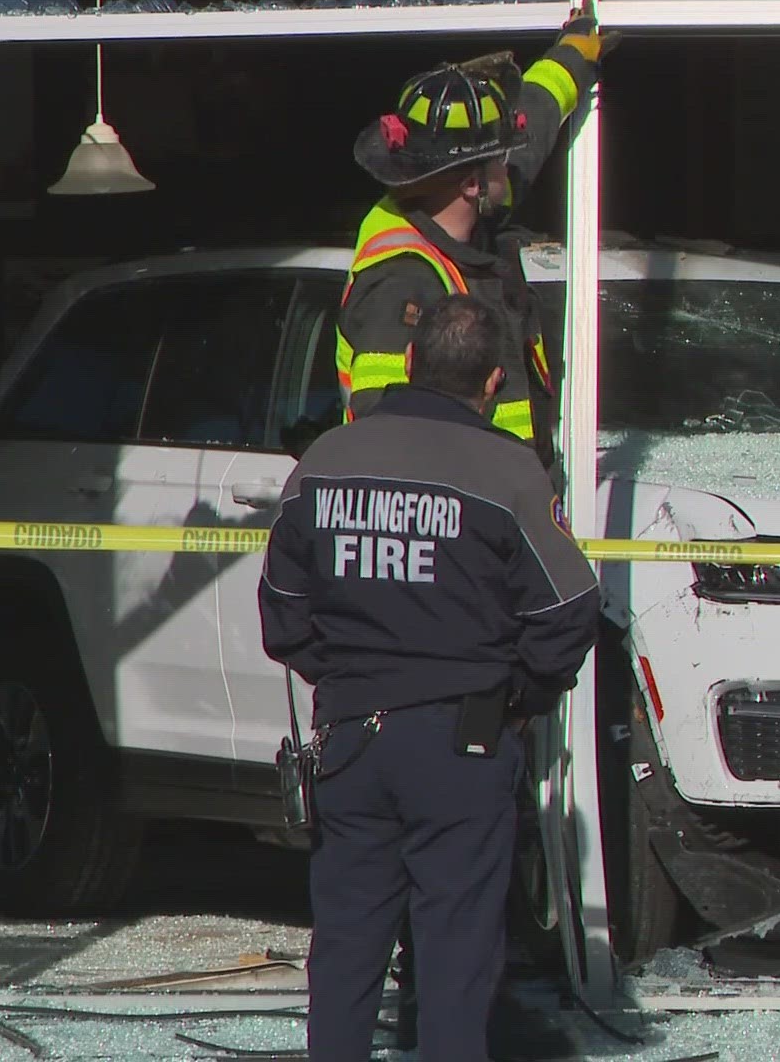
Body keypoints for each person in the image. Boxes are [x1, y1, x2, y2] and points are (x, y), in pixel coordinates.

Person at [260, 294, 600, 1062]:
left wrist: (344, 677)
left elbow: (282, 610)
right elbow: (573, 606)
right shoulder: (509, 471)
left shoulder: (327, 461)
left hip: (350, 739)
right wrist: (524, 697)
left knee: (346, 947)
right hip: (463, 741)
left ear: (409, 363)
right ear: (492, 384)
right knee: (457, 954)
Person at [336, 0, 613, 477]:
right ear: (471, 184)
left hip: (502, 500)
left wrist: (571, 55)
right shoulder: (400, 280)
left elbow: (536, 117)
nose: (511, 164)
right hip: (464, 518)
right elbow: (384, 438)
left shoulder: (454, 209)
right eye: (499, 158)